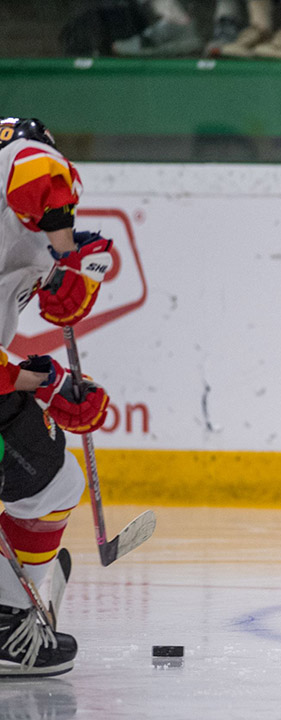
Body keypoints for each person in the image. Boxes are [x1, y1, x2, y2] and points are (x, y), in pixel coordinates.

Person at [0, 117, 112, 675]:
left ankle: (10, 610)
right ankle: (3, 622)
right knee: (45, 478)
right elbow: (33, 169)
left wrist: (46, 382)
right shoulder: (21, 155)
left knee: (54, 477)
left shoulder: (17, 232)